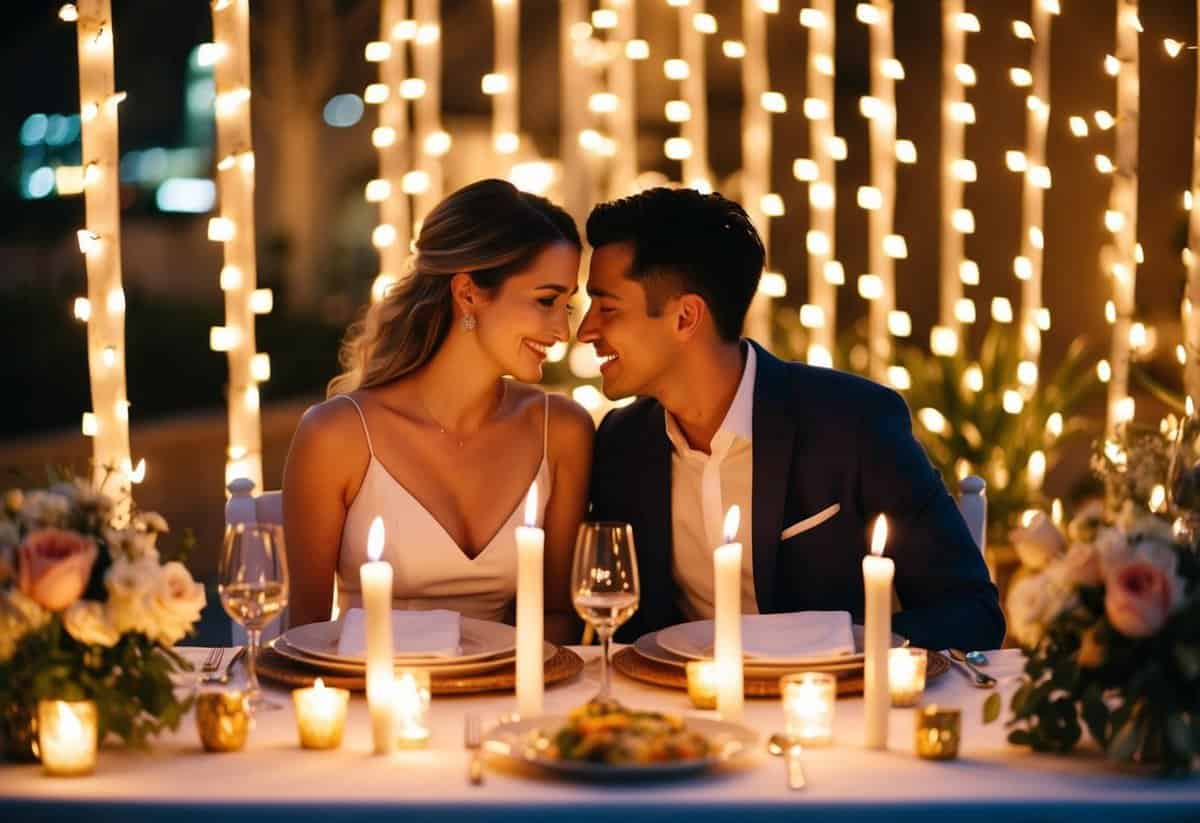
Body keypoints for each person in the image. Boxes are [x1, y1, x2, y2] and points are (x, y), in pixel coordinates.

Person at [579, 187, 1005, 651]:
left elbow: (969, 612)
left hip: (831, 709)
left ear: (685, 317)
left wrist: (838, 650)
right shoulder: (622, 444)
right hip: (680, 714)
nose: (586, 330)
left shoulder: (853, 424)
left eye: (607, 308)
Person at [283, 179, 594, 644]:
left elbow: (558, 621)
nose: (561, 330)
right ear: (468, 293)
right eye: (545, 301)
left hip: (507, 701)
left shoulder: (563, 431)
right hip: (370, 701)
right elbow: (305, 636)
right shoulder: (337, 435)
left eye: (566, 306)